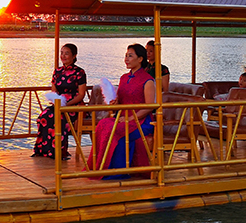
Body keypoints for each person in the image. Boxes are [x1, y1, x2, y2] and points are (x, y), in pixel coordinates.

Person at [94, 44, 156, 172]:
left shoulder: (148, 80)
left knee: (116, 129)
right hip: (122, 117)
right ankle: (103, 166)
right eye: (126, 56)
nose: (126, 59)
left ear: (140, 59)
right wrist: (115, 103)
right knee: (103, 124)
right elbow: (121, 101)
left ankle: (119, 170)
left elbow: (150, 106)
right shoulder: (124, 78)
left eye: (130, 56)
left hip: (141, 121)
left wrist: (132, 118)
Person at [32, 44, 87, 159]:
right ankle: (44, 150)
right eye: (62, 53)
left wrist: (66, 104)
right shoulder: (57, 71)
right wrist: (56, 101)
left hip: (74, 105)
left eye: (66, 53)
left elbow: (81, 94)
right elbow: (54, 91)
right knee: (45, 116)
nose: (63, 56)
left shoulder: (79, 72)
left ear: (74, 56)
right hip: (59, 103)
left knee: (59, 118)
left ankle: (60, 152)